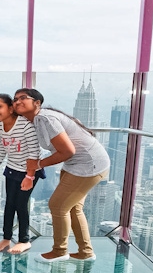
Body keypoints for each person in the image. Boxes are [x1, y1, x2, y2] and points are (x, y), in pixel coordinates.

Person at [13, 88, 109, 262]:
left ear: (37, 103)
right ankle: (85, 252)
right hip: (83, 164)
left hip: (87, 166)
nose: (17, 101)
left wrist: (38, 164)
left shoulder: (44, 118)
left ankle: (60, 251)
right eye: (15, 99)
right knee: (73, 207)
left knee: (57, 206)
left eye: (23, 98)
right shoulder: (37, 119)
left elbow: (67, 151)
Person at [0, 93, 42, 254]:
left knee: (21, 204)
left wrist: (30, 176)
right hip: (11, 168)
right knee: (9, 204)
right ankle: (6, 237)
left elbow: (34, 153)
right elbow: (1, 150)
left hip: (30, 170)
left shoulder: (25, 125)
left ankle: (25, 240)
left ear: (10, 108)